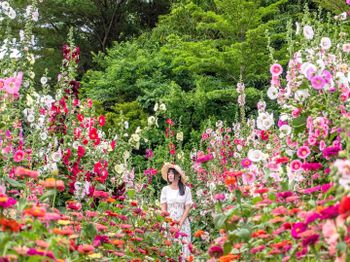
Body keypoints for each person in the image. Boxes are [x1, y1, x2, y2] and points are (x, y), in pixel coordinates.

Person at [160, 163, 193, 259]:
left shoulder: (186, 190)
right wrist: (170, 223)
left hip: (183, 224)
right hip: (169, 223)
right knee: (170, 250)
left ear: (178, 175)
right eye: (169, 173)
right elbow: (163, 209)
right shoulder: (165, 190)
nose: (170, 175)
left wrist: (179, 224)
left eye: (172, 173)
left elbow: (187, 208)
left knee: (184, 249)